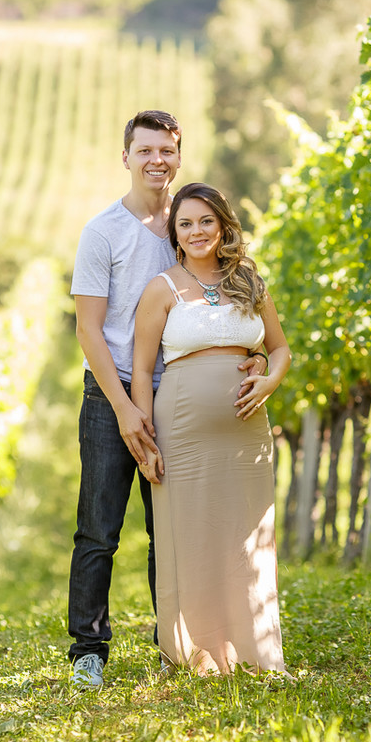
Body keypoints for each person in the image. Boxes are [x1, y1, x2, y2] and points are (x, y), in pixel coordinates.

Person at [67, 113, 267, 688]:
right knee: (100, 528)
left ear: (179, 157)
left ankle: (175, 644)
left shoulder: (191, 222)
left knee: (174, 528)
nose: (158, 160)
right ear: (125, 156)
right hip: (113, 395)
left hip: (176, 398)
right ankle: (88, 650)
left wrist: (247, 355)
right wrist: (127, 408)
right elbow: (88, 330)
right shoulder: (102, 232)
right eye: (146, 150)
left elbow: (225, 303)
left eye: (167, 151)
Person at [130, 181, 292, 676]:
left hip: (248, 431)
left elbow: (280, 348)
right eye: (185, 224)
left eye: (206, 220)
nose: (197, 231)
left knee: (248, 534)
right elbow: (140, 370)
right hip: (182, 430)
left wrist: (268, 380)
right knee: (192, 533)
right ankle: (198, 655)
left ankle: (257, 649)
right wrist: (145, 441)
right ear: (175, 234)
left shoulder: (248, 280)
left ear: (222, 224)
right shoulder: (163, 288)